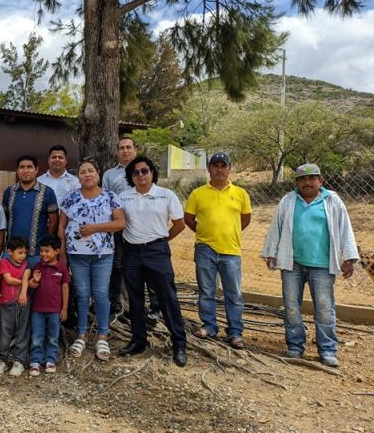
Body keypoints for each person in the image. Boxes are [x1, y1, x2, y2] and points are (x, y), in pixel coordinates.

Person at [261, 163, 359, 367]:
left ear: (320, 181)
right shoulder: (288, 201)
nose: (307, 182)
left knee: (324, 308)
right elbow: (276, 227)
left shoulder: (332, 200)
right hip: (292, 264)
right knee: (291, 306)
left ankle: (327, 350)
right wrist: (271, 253)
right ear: (297, 183)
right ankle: (295, 346)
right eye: (303, 179)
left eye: (312, 178)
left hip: (322, 265)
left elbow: (345, 229)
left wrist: (349, 257)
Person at [118, 156, 188, 367]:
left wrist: (162, 239)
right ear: (131, 177)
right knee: (135, 299)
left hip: (157, 251)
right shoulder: (123, 197)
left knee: (167, 297)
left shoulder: (166, 195)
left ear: (152, 172)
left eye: (144, 171)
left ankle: (179, 343)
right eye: (136, 172)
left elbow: (179, 224)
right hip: (131, 252)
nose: (141, 175)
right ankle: (139, 340)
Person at [184, 152, 252, 349]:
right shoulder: (198, 193)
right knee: (206, 290)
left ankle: (235, 332)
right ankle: (209, 326)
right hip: (205, 249)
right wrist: (205, 233)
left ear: (229, 169)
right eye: (216, 166)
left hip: (231, 251)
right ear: (209, 169)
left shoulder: (240, 193)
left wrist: (230, 232)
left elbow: (245, 219)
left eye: (224, 166)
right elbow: (189, 219)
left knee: (234, 293)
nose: (219, 170)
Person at [59, 158, 125, 360]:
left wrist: (96, 228)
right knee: (81, 293)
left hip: (103, 254)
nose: (87, 174)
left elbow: (120, 223)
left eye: (90, 171)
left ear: (98, 174)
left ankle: (102, 337)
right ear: (78, 176)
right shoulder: (70, 197)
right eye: (82, 172)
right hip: (77, 254)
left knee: (101, 292)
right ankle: (81, 335)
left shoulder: (110, 196)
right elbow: (61, 226)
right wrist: (62, 251)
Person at [101, 136, 155, 322]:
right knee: (117, 265)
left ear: (135, 149)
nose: (125, 151)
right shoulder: (109, 175)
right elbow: (106, 200)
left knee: (147, 266)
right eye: (121, 148)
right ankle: (115, 305)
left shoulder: (144, 170)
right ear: (117, 151)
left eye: (128, 147)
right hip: (118, 228)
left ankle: (153, 307)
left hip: (142, 227)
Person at [2, 155, 59, 266]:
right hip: (11, 253)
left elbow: (54, 222)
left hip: (37, 254)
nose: (25, 170)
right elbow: (5, 218)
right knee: (9, 283)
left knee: (35, 282)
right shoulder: (9, 192)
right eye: (22, 167)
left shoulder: (47, 192)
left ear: (36, 170)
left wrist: (45, 245)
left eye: (29, 167)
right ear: (17, 170)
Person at [27, 235, 69, 375]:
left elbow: (65, 288)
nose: (43, 254)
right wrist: (35, 280)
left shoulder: (61, 268)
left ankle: (51, 360)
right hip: (37, 308)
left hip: (55, 310)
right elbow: (32, 286)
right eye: (41, 251)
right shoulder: (38, 266)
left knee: (53, 336)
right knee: (37, 336)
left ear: (57, 251)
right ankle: (35, 361)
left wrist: (64, 308)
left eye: (47, 251)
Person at [0, 236, 32, 377]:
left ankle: (19, 361)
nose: (23, 256)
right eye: (20, 252)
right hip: (6, 304)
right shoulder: (4, 263)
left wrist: (23, 291)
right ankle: (2, 360)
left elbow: (27, 278)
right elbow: (8, 280)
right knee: (5, 332)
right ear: (10, 251)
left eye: (25, 253)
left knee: (22, 331)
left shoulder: (26, 265)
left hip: (22, 303)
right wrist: (25, 283)